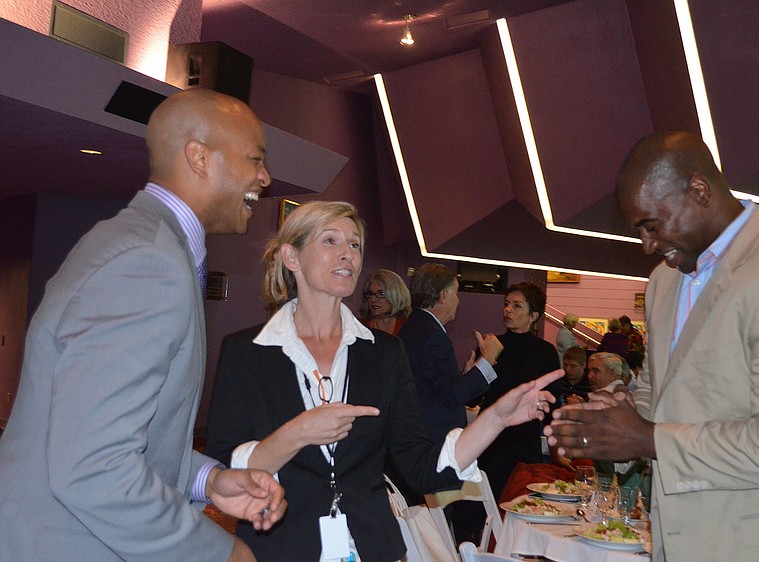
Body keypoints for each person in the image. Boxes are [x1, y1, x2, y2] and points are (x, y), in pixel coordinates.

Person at [0, 89, 287, 562]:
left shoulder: (138, 243)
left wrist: (208, 479)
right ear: (198, 157)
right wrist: (220, 552)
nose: (265, 177)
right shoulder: (147, 262)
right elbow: (94, 467)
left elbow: (117, 430)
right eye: (255, 159)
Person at [546, 131, 759, 561]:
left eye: (652, 225)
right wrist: (602, 423)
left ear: (700, 191)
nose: (647, 245)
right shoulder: (663, 283)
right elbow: (660, 395)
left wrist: (648, 439)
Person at [204, 201, 563, 562]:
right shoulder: (246, 351)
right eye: (330, 241)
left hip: (371, 545)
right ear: (291, 257)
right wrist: (299, 433)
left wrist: (495, 419)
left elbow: (422, 468)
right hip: (281, 546)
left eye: (355, 244)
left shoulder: (384, 353)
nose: (348, 254)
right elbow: (224, 470)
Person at [397, 262, 502, 443]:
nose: (458, 300)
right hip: (432, 442)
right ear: (444, 296)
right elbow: (451, 395)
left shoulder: (414, 327)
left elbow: (437, 387)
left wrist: (467, 377)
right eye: (456, 292)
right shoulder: (433, 337)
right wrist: (488, 359)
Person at [477, 281, 562, 501]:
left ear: (533, 316)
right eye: (506, 304)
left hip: (524, 438)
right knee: (485, 505)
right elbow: (476, 394)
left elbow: (552, 404)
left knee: (522, 502)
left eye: (516, 306)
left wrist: (555, 448)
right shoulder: (492, 345)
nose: (507, 310)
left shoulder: (545, 352)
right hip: (490, 437)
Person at [358, 268, 411, 335]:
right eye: (370, 293)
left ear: (396, 295)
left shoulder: (408, 326)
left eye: (381, 293)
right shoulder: (359, 326)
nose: (373, 299)